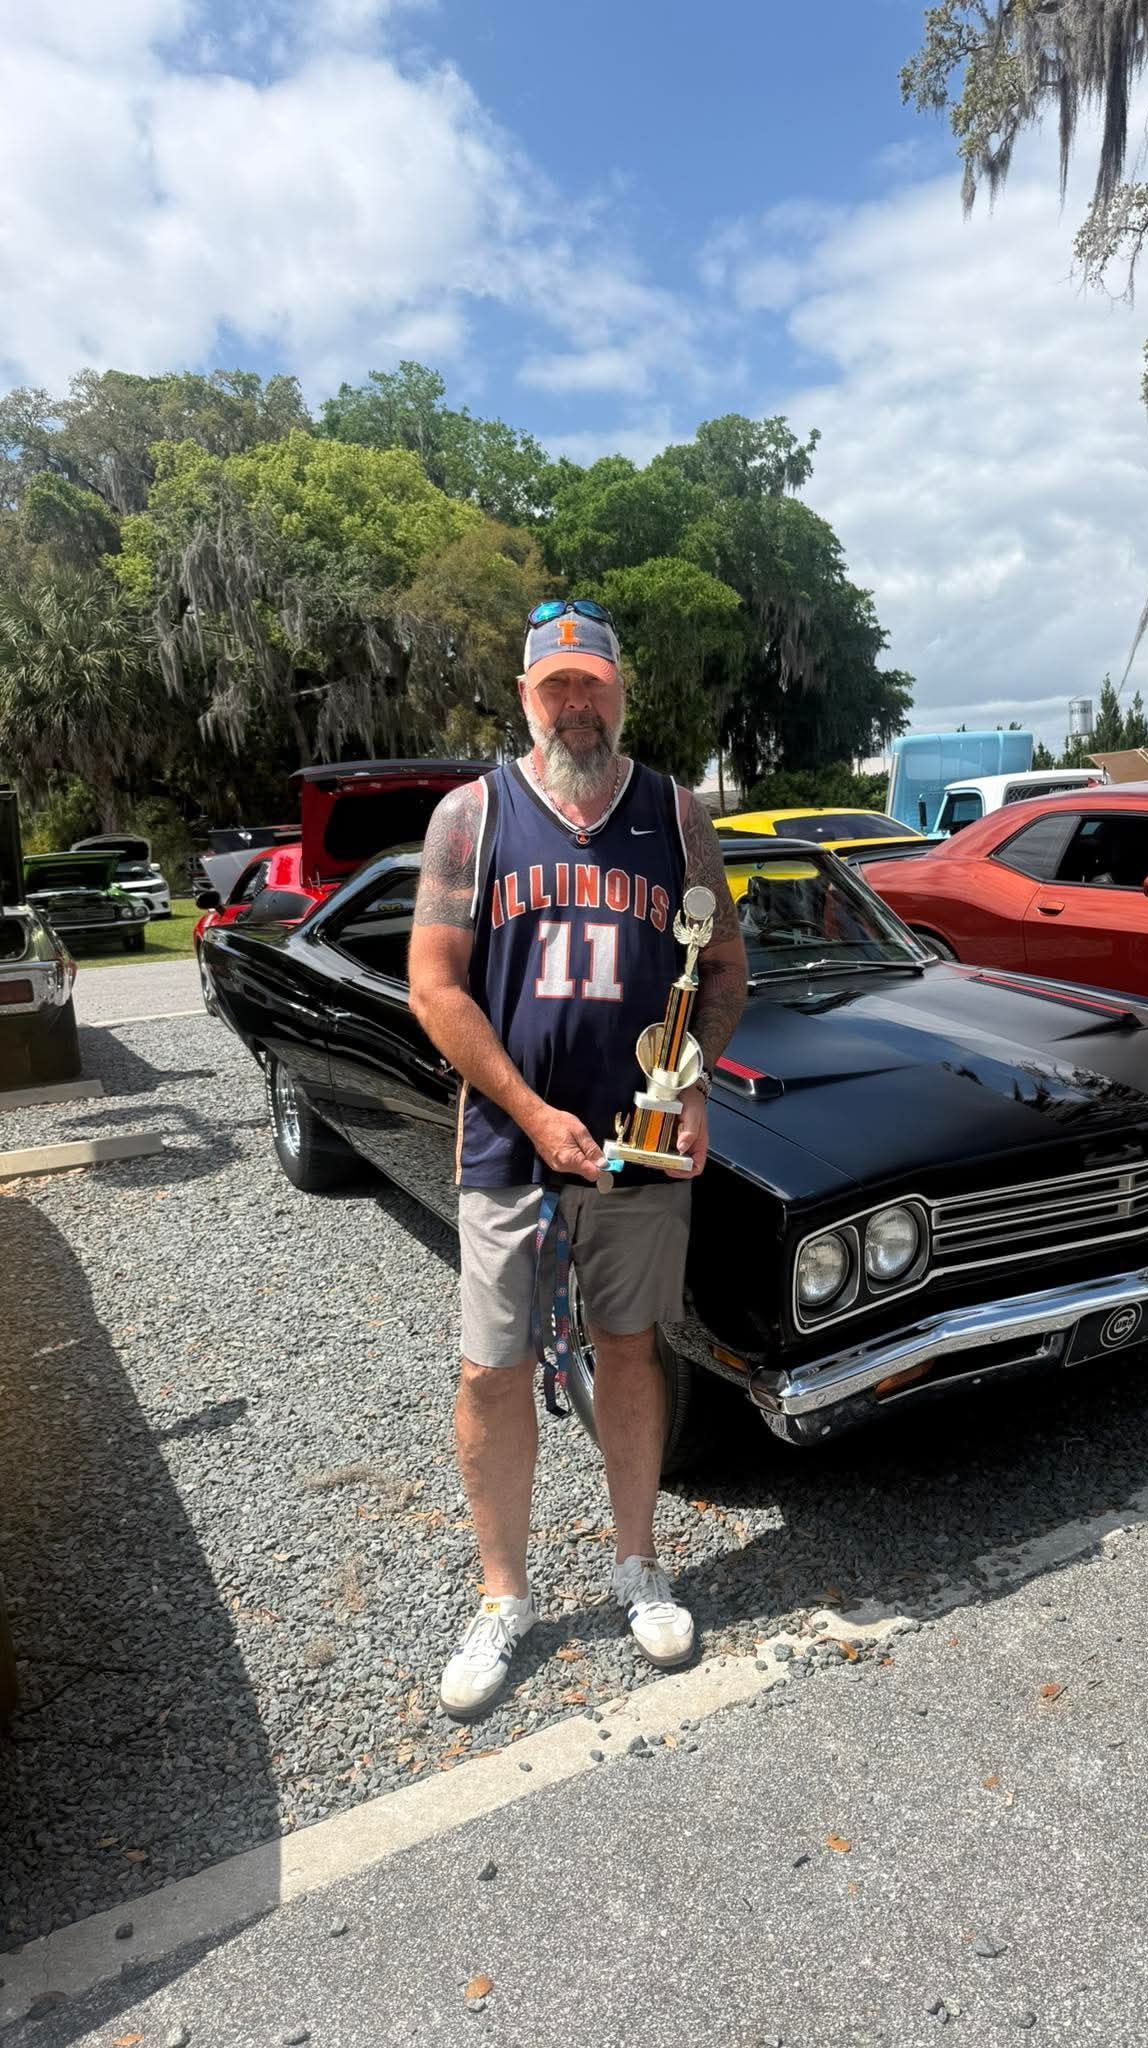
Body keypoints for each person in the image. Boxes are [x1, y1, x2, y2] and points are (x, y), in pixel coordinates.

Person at [408, 599, 748, 1719]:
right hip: (509, 1141)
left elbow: (726, 967)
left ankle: (637, 1562)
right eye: (554, 684)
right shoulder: (473, 816)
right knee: (490, 1368)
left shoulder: (676, 814)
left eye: (591, 682)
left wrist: (692, 1075)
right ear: (525, 697)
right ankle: (503, 1596)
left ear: (621, 686)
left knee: (631, 1348)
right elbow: (436, 987)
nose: (575, 702)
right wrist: (529, 1104)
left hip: (640, 1148)